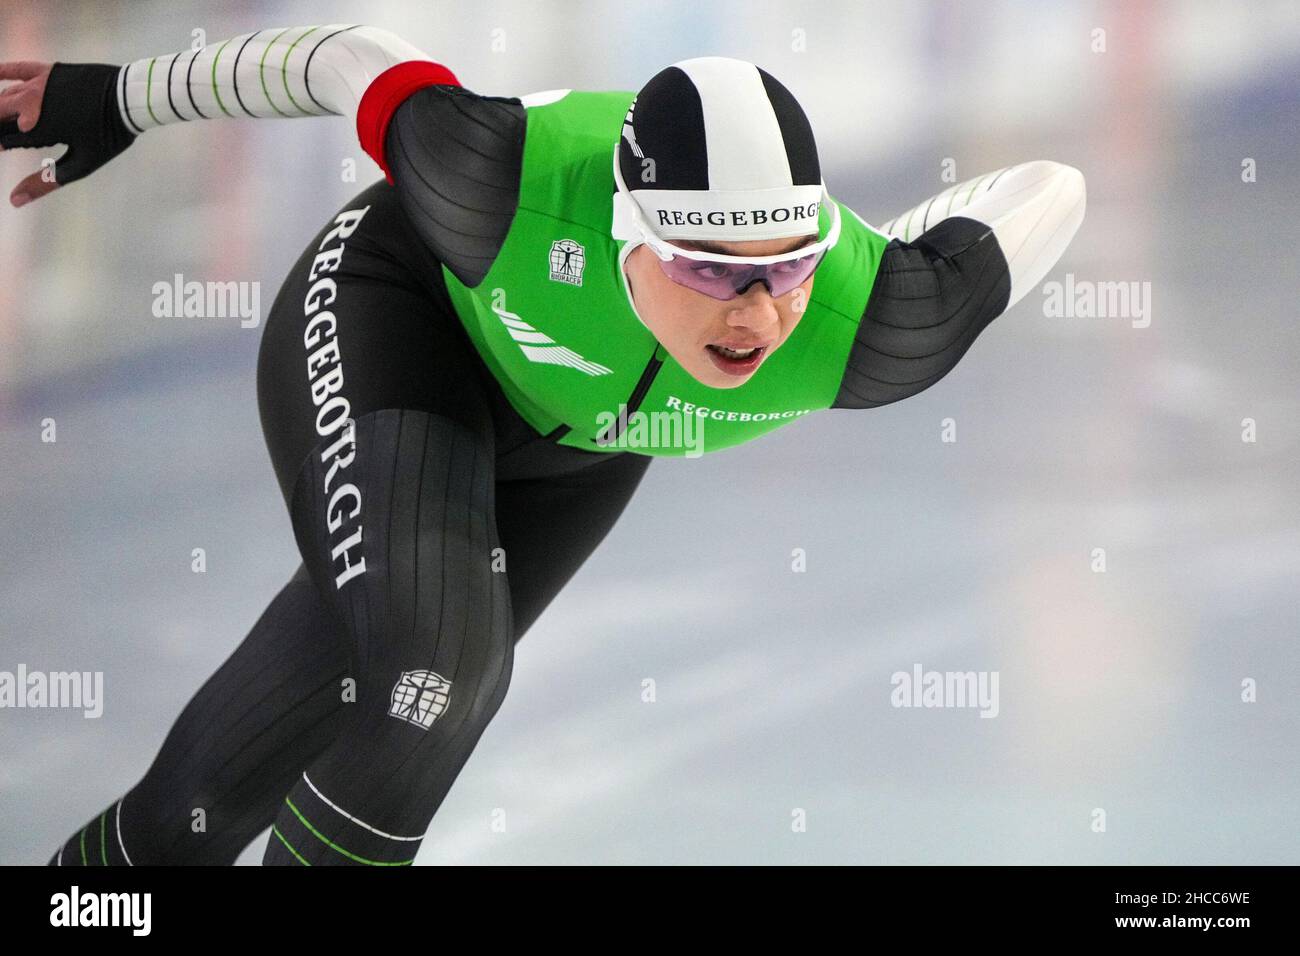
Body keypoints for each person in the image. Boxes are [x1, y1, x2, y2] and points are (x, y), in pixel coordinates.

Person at [1, 22, 1085, 866]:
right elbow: (353, 60)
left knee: (208, 796)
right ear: (626, 232)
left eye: (787, 267)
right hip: (403, 318)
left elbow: (1053, 186)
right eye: (709, 267)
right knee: (443, 668)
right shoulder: (499, 186)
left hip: (575, 449)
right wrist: (120, 99)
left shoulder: (874, 323)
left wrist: (866, 260)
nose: (754, 311)